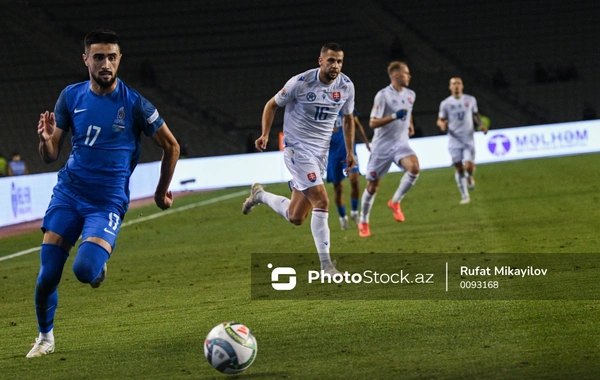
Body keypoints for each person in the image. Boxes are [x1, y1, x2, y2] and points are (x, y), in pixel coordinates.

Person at [27, 29, 180, 358]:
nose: (106, 63)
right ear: (86, 60)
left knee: (84, 271)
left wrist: (160, 192)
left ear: (119, 59)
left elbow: (172, 146)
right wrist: (45, 140)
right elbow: (51, 154)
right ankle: (45, 338)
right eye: (99, 57)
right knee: (47, 274)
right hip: (69, 192)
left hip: (106, 201)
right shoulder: (70, 97)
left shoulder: (135, 103)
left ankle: (97, 263)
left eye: (112, 57)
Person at [242, 42, 356, 274]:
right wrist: (265, 134)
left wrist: (350, 151)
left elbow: (348, 118)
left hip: (320, 154)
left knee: (296, 217)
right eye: (331, 60)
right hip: (297, 150)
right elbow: (271, 105)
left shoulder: (346, 86)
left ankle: (260, 195)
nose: (336, 66)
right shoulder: (300, 83)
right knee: (322, 201)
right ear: (321, 61)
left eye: (340, 61)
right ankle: (326, 266)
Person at [358, 61, 420, 238]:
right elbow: (372, 122)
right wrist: (394, 116)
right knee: (372, 187)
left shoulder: (411, 94)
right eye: (406, 73)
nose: (409, 76)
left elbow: (408, 110)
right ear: (396, 75)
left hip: (401, 144)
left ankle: (395, 202)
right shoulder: (383, 96)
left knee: (414, 168)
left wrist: (410, 123)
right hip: (382, 147)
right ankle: (363, 220)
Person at [436, 76, 488, 204]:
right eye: (453, 84)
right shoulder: (446, 103)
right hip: (454, 140)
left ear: (462, 86)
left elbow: (476, 114)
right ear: (450, 87)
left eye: (458, 83)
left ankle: (469, 176)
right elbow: (440, 120)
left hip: (468, 139)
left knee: (469, 167)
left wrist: (481, 125)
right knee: (459, 168)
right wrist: (442, 125)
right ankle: (465, 196)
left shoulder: (470, 100)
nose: (456, 86)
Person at [327, 110, 370, 230]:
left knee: (355, 180)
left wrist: (366, 142)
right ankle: (343, 218)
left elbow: (356, 124)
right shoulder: (322, 106)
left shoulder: (346, 104)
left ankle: (355, 212)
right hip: (333, 154)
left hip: (348, 151)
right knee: (338, 187)